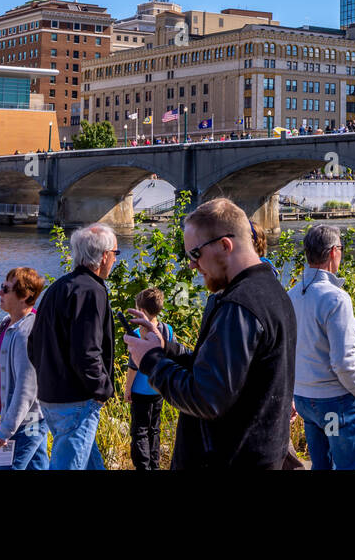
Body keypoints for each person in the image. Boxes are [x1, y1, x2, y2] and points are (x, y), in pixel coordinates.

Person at [126, 198, 297, 469]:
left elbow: (206, 398)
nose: (192, 266)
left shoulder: (240, 306)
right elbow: (222, 373)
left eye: (195, 254)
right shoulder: (273, 292)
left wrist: (151, 362)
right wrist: (166, 348)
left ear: (225, 245)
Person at [28, 223, 119, 470]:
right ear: (103, 256)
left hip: (50, 396)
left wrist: (48, 378)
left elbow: (33, 343)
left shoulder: (58, 287)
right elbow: (87, 351)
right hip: (76, 399)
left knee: (90, 464)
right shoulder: (91, 291)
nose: (114, 260)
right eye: (115, 254)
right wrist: (101, 389)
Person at [288, 224, 355, 470]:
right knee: (349, 466)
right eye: (341, 249)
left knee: (322, 465)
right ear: (334, 252)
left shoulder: (291, 295)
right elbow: (343, 360)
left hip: (305, 398)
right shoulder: (336, 298)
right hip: (335, 401)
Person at [0, 267, 49, 470]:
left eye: (6, 289)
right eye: (2, 287)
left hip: (28, 421)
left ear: (24, 296)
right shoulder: (8, 324)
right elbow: (1, 373)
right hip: (19, 417)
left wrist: (6, 430)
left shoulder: (26, 333)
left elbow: (27, 387)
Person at [123, 287, 172, 471]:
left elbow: (133, 367)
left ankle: (143, 466)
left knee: (139, 431)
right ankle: (155, 464)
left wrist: (127, 389)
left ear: (141, 311)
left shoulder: (137, 334)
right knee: (154, 428)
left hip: (140, 390)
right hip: (158, 388)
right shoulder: (167, 330)